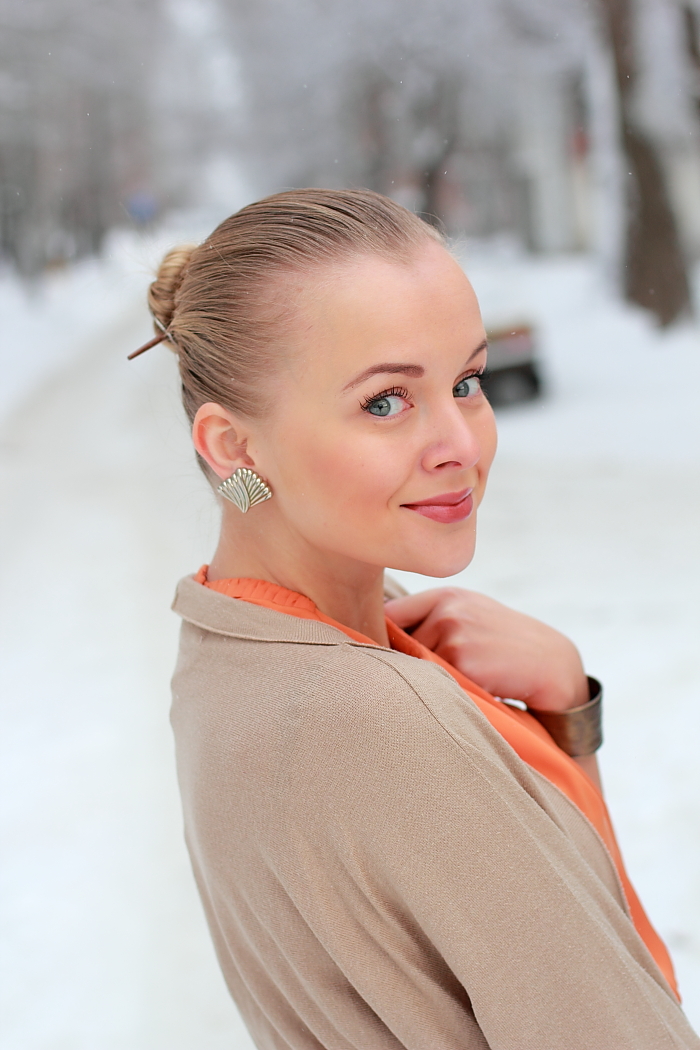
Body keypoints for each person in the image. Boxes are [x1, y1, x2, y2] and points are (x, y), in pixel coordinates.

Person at [134, 189, 699, 1049]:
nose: (461, 445)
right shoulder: (379, 717)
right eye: (385, 402)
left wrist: (560, 712)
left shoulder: (229, 640)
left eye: (466, 383)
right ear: (233, 446)